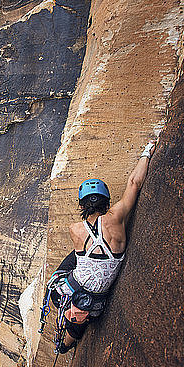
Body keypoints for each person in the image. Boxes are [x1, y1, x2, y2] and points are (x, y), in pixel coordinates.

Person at [49, 139, 157, 353]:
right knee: (81, 302)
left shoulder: (75, 230)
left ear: (81, 205)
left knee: (56, 285)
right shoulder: (117, 218)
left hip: (80, 295)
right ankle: (65, 342)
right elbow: (134, 183)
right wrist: (147, 151)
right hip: (99, 300)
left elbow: (81, 257)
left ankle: (64, 345)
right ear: (107, 202)